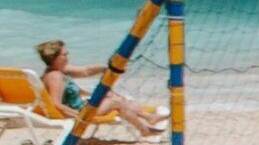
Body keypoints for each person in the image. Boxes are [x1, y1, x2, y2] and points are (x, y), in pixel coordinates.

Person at [26, 39, 160, 137]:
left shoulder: (59, 70)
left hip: (82, 107)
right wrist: (79, 116)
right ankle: (145, 128)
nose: (68, 57)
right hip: (79, 112)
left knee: (113, 97)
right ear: (54, 58)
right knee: (117, 102)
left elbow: (85, 71)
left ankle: (148, 119)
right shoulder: (55, 76)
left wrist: (107, 68)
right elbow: (56, 103)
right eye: (64, 55)